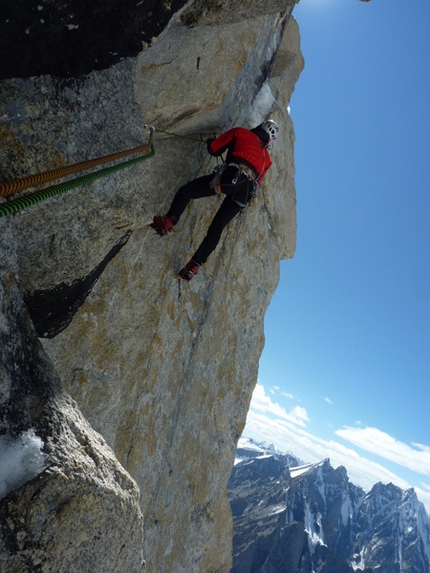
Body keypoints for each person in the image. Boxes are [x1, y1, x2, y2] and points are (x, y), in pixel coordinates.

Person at [151, 119, 279, 281]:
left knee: (188, 191)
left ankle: (168, 222)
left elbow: (214, 149)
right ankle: (193, 267)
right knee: (217, 227)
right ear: (270, 140)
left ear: (260, 127)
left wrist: (212, 142)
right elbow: (258, 181)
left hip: (232, 177)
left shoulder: (241, 132)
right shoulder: (267, 160)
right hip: (244, 194)